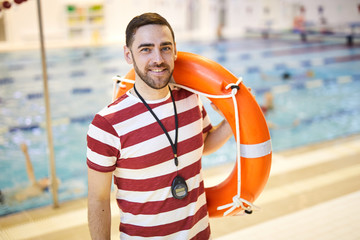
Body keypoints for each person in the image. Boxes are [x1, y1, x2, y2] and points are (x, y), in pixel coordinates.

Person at [86, 13, 233, 240]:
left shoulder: (190, 98)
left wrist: (233, 119)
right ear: (128, 55)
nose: (158, 59)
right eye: (146, 49)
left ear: (175, 50)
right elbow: (98, 199)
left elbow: (202, 144)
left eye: (165, 48)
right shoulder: (107, 124)